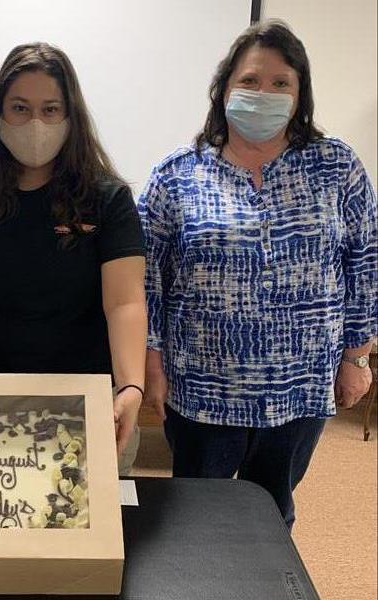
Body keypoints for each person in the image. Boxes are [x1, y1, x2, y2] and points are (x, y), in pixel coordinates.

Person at [139, 20, 376, 528]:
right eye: (249, 81)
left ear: (299, 93)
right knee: (195, 516)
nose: (262, 93)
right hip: (202, 386)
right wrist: (150, 358)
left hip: (301, 385)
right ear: (224, 88)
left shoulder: (337, 166)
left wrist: (357, 356)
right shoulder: (177, 173)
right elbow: (144, 277)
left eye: (279, 83)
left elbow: (365, 263)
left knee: (272, 512)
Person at [0, 43, 147, 472]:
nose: (35, 123)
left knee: (88, 527)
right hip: (0, 394)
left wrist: (131, 387)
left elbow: (123, 303)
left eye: (50, 110)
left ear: (71, 117)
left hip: (91, 399)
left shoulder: (108, 199)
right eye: (19, 108)